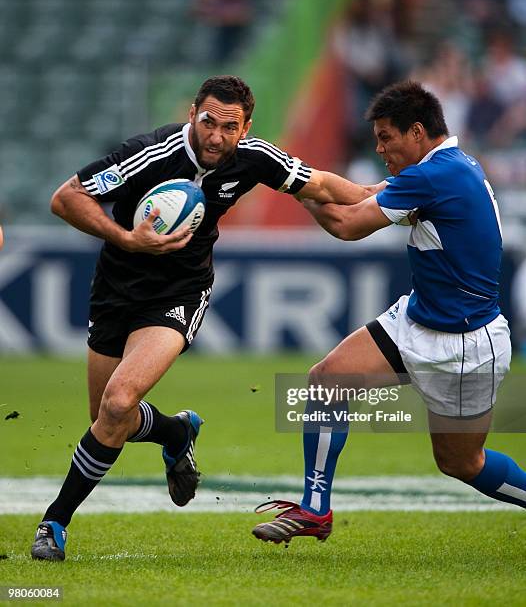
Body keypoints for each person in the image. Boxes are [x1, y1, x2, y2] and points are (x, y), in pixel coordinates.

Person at [30, 75, 380, 561]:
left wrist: (372, 192)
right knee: (107, 418)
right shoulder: (151, 153)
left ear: (245, 127)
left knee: (118, 404)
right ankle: (175, 432)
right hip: (115, 291)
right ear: (194, 112)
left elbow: (319, 182)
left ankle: (54, 523)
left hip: (179, 293)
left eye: (229, 126)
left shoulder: (254, 157)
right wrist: (128, 238)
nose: (216, 135)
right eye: (208, 121)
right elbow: (65, 198)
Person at [252, 80, 525, 545]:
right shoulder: (444, 167)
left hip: (464, 344)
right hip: (420, 318)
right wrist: (298, 177)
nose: (379, 148)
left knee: (461, 463)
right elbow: (364, 194)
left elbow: (346, 225)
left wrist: (289, 182)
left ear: (417, 131)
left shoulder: (433, 176)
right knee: (328, 379)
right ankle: (315, 510)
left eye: (386, 137)